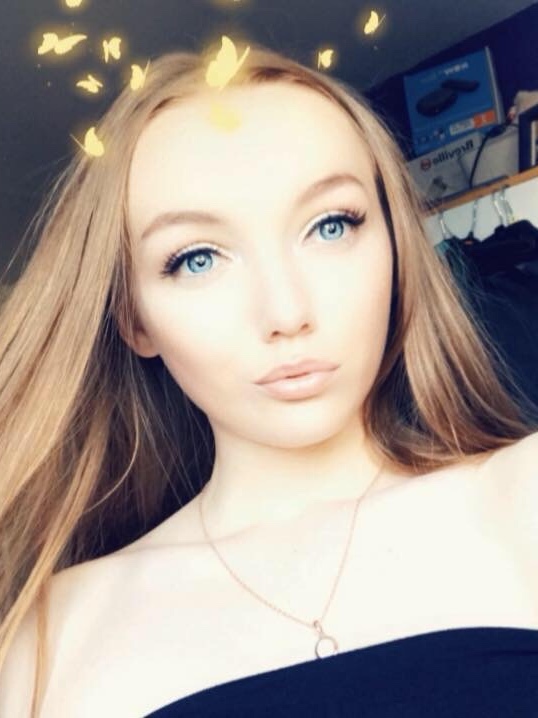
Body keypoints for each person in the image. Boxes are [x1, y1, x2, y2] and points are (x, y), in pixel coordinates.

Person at [0, 41, 537, 717]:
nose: (286, 313)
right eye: (197, 259)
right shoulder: (50, 642)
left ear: (397, 249)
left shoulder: (525, 498)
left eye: (331, 225)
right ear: (134, 320)